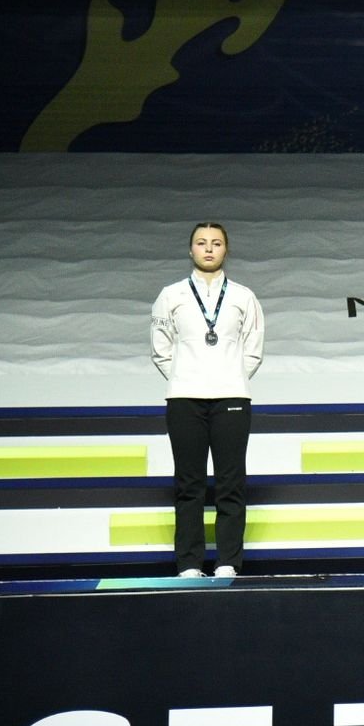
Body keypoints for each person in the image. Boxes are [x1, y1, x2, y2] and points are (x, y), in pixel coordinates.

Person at [151, 222, 264, 578]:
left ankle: (228, 562)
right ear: (191, 250)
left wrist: (229, 376)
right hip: (185, 399)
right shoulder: (171, 295)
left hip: (232, 397)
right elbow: (160, 350)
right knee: (189, 485)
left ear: (226, 249)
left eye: (216, 243)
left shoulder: (243, 296)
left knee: (231, 484)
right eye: (201, 243)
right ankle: (189, 564)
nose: (209, 249)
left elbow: (253, 350)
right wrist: (186, 377)